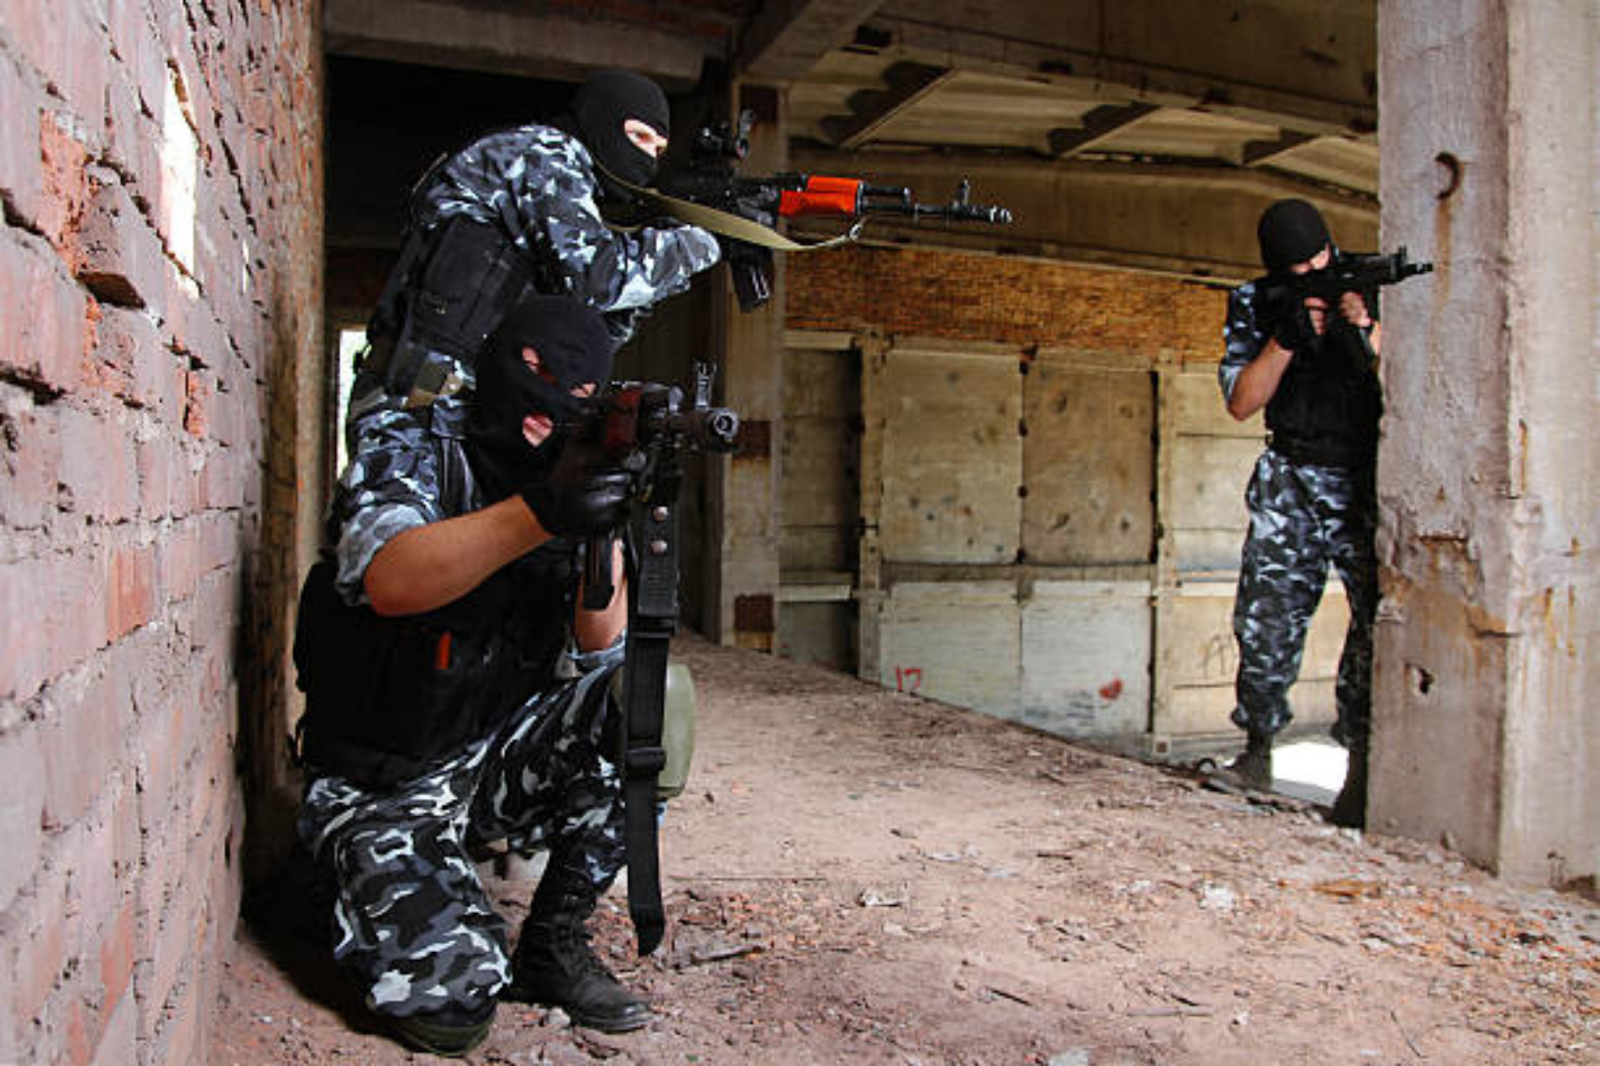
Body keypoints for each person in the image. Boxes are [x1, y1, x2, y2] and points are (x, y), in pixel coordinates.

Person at [293, 296, 651, 1056]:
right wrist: (544, 511)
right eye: (535, 375)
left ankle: (552, 942)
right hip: (383, 776)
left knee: (641, 702)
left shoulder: (568, 462)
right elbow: (388, 578)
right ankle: (360, 870)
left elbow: (600, 644)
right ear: (497, 363)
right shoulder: (418, 436)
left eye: (579, 398)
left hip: (487, 759)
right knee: (450, 1011)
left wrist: (601, 516)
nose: (548, 407)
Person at [351, 67, 722, 417]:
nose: (647, 159)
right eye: (639, 136)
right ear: (600, 117)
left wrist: (654, 282)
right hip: (413, 403)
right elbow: (595, 279)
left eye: (658, 150)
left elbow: (587, 333)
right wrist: (696, 244)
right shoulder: (543, 152)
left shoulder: (553, 205)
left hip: (460, 408)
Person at [1215, 198, 1381, 829]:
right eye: (1299, 269)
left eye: (1321, 261)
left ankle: (1360, 771)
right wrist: (1288, 334)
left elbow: (1410, 383)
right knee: (1265, 622)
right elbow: (1241, 402)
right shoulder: (1257, 302)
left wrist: (1362, 330)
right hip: (1289, 475)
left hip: (1362, 478)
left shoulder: (1366, 284)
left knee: (1372, 628)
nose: (1314, 273)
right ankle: (1257, 749)